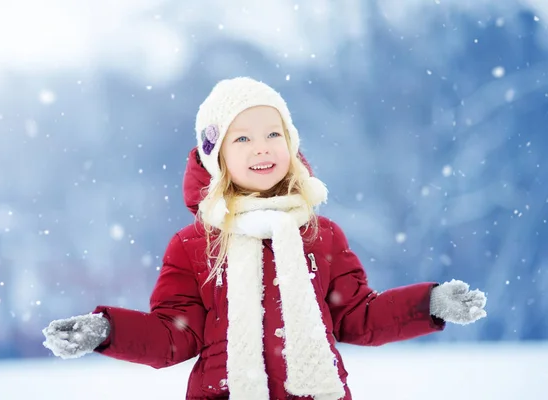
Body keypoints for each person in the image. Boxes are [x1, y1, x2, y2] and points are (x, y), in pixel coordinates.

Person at [42, 77, 487, 400]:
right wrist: (106, 331)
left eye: (274, 134)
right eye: (243, 138)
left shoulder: (320, 235)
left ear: (291, 146)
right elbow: (174, 335)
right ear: (216, 157)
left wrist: (427, 303)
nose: (262, 147)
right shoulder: (194, 246)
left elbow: (358, 317)